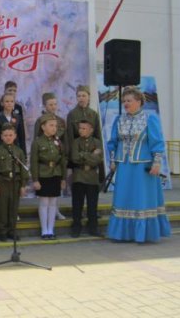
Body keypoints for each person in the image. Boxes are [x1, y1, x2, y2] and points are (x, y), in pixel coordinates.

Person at [107, 86, 171, 243]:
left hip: (143, 168)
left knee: (141, 199)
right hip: (124, 166)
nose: (126, 103)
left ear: (139, 101)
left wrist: (157, 163)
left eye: (129, 100)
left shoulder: (149, 119)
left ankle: (143, 234)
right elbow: (113, 142)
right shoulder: (119, 119)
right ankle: (123, 234)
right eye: (124, 101)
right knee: (124, 198)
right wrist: (113, 161)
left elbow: (157, 143)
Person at [0, 123, 29, 242]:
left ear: (15, 136)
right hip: (2, 181)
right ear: (1, 136)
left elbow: (23, 170)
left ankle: (12, 230)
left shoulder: (19, 151)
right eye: (5, 135)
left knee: (13, 207)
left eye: (10, 135)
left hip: (15, 182)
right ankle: (2, 231)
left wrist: (23, 185)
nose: (8, 137)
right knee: (2, 207)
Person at [31, 114, 66, 240]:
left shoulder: (58, 142)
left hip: (55, 173)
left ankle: (51, 229)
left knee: (53, 202)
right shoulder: (38, 142)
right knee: (44, 202)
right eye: (51, 125)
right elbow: (34, 161)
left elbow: (62, 160)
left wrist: (63, 178)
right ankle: (44, 230)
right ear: (43, 126)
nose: (54, 128)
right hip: (43, 174)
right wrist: (35, 179)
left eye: (55, 126)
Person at [34, 92, 67, 220]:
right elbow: (37, 137)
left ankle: (56, 211)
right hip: (45, 157)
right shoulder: (40, 120)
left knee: (56, 187)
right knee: (46, 191)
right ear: (45, 105)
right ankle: (45, 213)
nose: (53, 107)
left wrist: (65, 154)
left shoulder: (61, 121)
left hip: (58, 156)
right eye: (50, 104)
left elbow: (65, 139)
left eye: (55, 104)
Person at [70, 119, 103, 237]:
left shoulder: (97, 142)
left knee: (92, 205)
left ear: (91, 130)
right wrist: (91, 154)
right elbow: (74, 158)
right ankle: (76, 227)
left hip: (92, 177)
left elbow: (98, 159)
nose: (81, 130)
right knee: (77, 204)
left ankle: (93, 227)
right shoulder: (75, 142)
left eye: (84, 128)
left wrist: (83, 155)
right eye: (80, 128)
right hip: (79, 176)